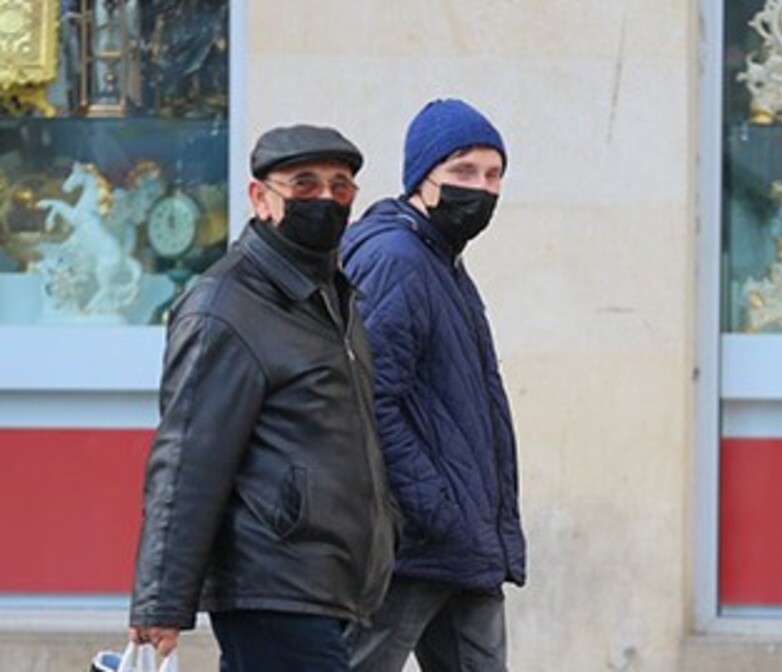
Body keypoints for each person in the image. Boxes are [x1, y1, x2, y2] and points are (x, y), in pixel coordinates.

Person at [128, 124, 401, 671]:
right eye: (304, 185)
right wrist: (161, 600)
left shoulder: (331, 298)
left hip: (327, 585)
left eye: (340, 187)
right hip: (274, 584)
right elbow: (188, 458)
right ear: (261, 198)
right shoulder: (226, 307)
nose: (325, 199)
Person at [340, 98, 526, 672]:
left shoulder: (440, 258)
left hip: (459, 542)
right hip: (417, 547)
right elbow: (367, 400)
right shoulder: (398, 260)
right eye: (463, 171)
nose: (482, 189)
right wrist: (435, 508)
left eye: (493, 175)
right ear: (422, 177)